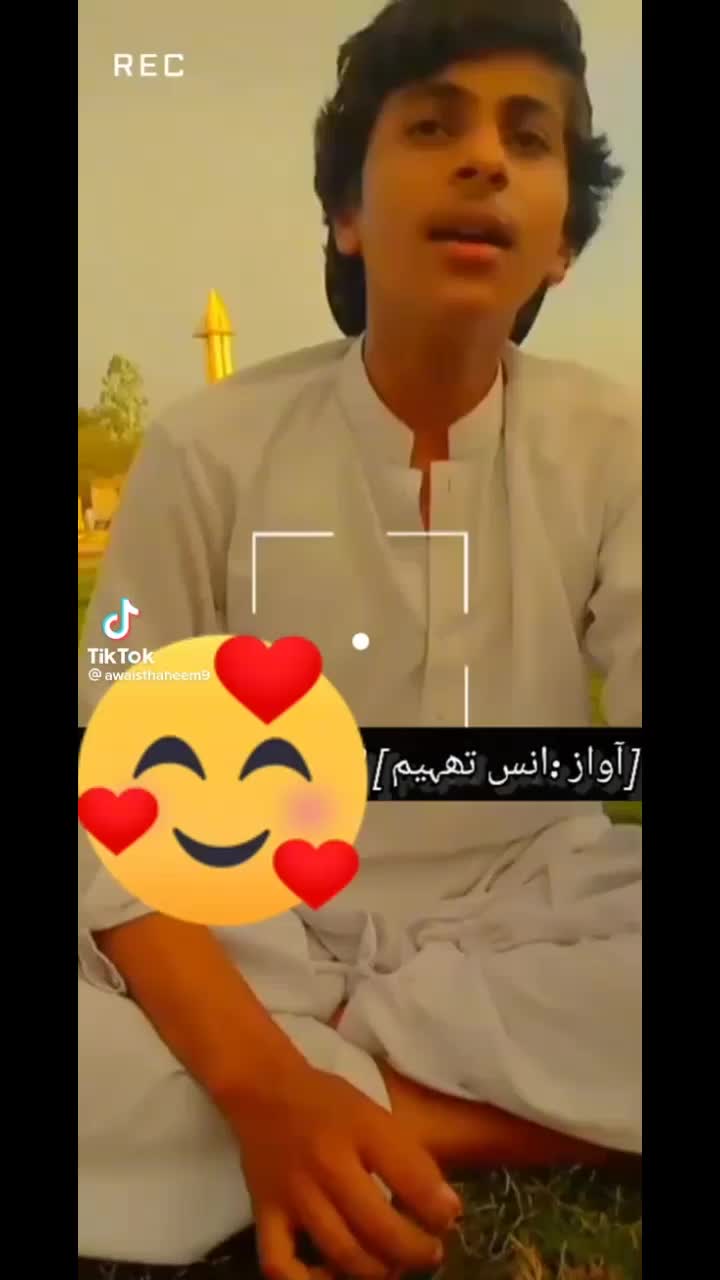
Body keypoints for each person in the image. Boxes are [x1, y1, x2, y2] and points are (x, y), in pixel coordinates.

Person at [77, 1, 641, 1277]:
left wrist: (284, 1083)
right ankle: (337, 1103)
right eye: (434, 126)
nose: (484, 158)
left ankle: (355, 1119)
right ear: (346, 212)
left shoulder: (615, 447)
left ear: (563, 242)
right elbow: (115, 801)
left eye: (528, 138)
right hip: (256, 928)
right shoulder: (207, 448)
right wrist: (259, 1072)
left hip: (533, 914)